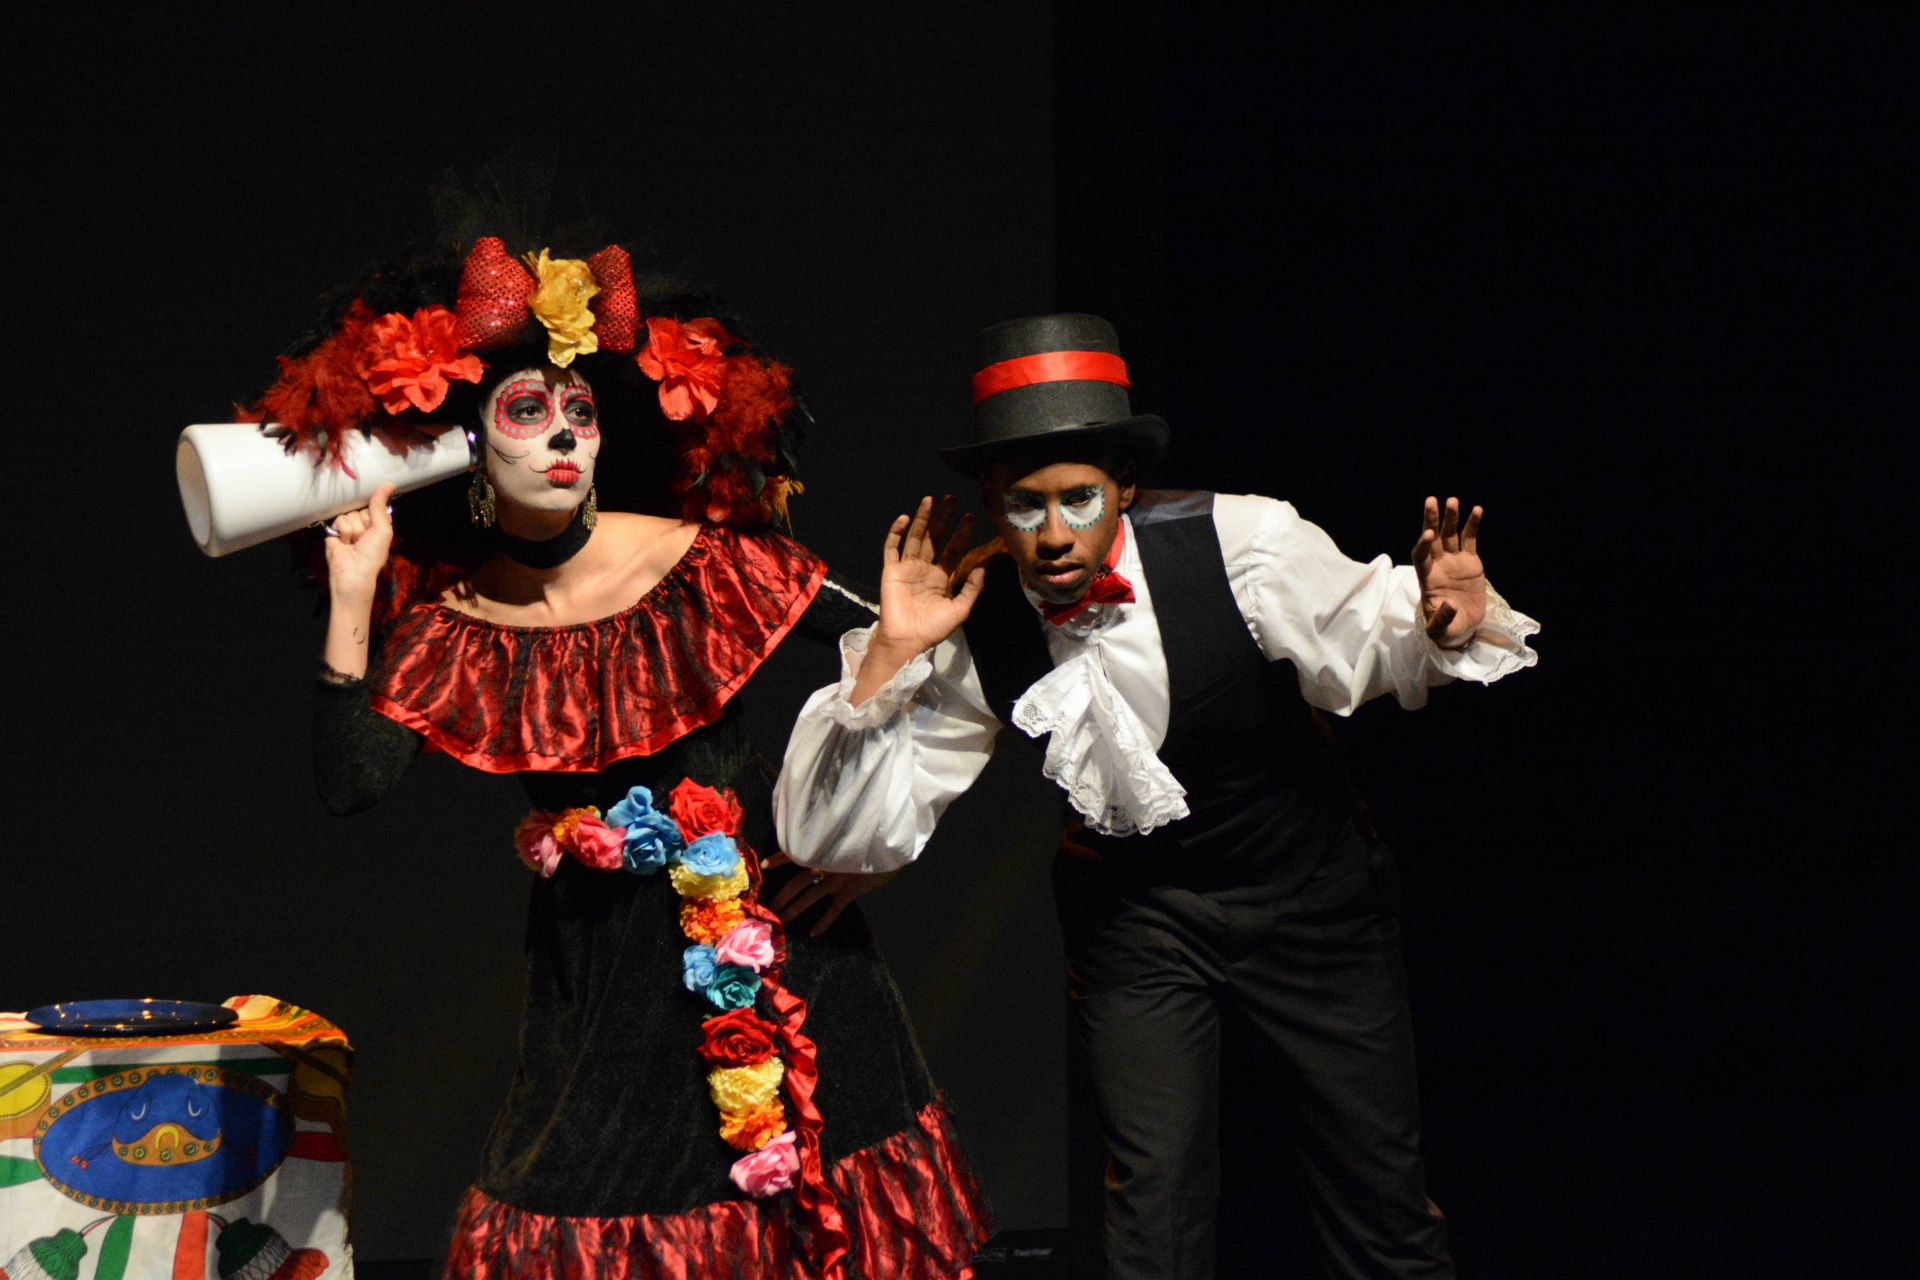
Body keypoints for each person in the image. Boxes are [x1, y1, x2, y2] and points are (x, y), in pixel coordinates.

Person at [250, 194, 988, 1279]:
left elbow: (912, 677)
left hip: (770, 959)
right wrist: (354, 591)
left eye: (579, 412)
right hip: (599, 985)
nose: (560, 432)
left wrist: (868, 851)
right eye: (526, 411)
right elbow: (353, 781)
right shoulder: (460, 624)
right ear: (467, 447)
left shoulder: (700, 559)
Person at [774, 314, 1540, 1279]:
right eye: (1024, 506)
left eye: (1079, 499)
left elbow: (1370, 640)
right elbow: (855, 815)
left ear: (1124, 489)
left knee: (1375, 1198)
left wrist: (1444, 623)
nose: (1053, 536)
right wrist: (889, 656)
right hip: (1136, 919)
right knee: (1153, 1207)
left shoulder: (1241, 541)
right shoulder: (974, 613)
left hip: (1309, 898)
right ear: (991, 500)